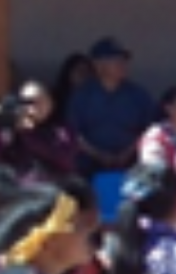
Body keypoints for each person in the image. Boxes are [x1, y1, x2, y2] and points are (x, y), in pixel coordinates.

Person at [66, 37, 155, 175]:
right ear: (98, 64)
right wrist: (99, 155)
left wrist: (126, 154)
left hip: (131, 167)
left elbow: (149, 130)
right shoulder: (82, 96)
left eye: (124, 60)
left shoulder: (139, 95)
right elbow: (73, 134)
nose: (123, 64)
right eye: (116, 60)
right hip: (89, 167)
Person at [0, 81, 79, 181]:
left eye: (41, 101)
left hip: (55, 188)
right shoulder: (10, 130)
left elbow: (65, 160)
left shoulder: (62, 130)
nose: (35, 107)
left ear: (51, 103)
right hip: (17, 190)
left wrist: (27, 133)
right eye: (28, 102)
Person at [50, 55, 93, 130]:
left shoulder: (94, 100)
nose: (84, 75)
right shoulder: (54, 97)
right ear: (68, 73)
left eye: (87, 72)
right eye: (79, 70)